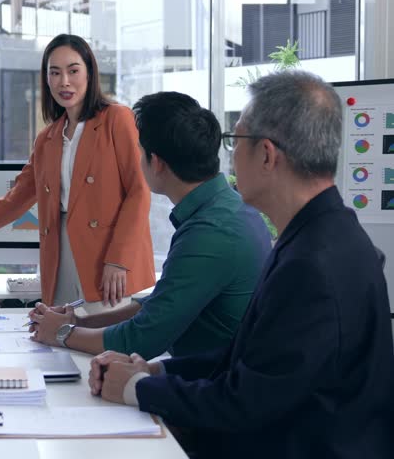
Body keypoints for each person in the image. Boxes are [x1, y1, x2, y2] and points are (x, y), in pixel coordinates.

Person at [91, 71, 394, 458]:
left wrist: (135, 389)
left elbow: (247, 401)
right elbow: (253, 359)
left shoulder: (314, 265)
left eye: (235, 141)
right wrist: (157, 372)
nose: (227, 156)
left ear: (267, 154)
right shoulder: (320, 235)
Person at [28, 92, 271, 359]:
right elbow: (160, 305)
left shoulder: (211, 234)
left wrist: (61, 334)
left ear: (155, 163)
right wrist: (79, 321)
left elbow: (141, 339)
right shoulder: (225, 209)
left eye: (139, 152)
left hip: (209, 383)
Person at [0, 33, 155, 310]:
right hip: (58, 253)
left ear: (90, 73)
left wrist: (118, 260)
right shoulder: (48, 137)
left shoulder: (117, 120)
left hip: (106, 254)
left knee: (102, 344)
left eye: (73, 71)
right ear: (46, 79)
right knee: (60, 340)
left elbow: (139, 192)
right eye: (55, 73)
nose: (64, 82)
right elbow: (16, 200)